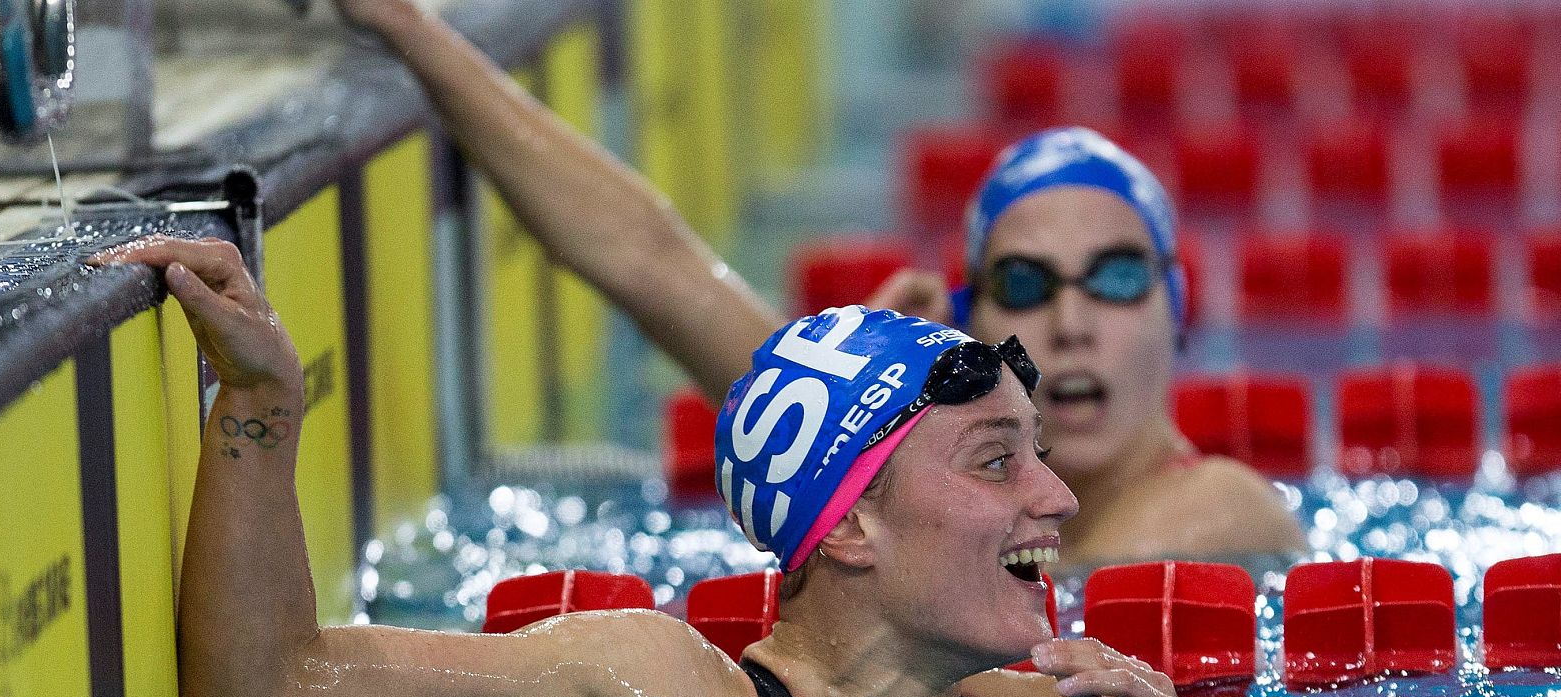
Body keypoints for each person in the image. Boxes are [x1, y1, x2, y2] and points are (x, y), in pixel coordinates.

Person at [91, 237, 1191, 697]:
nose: (1055, 496)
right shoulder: (651, 684)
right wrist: (258, 402)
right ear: (848, 521)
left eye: (1037, 453)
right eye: (997, 457)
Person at [328, 0, 1304, 565]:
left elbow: (1039, 605)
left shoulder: (1221, 508)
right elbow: (655, 263)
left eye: (1116, 279)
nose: (1072, 321)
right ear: (976, 333)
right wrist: (403, 23)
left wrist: (885, 452)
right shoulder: (933, 498)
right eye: (1026, 283)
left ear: (1178, 314)